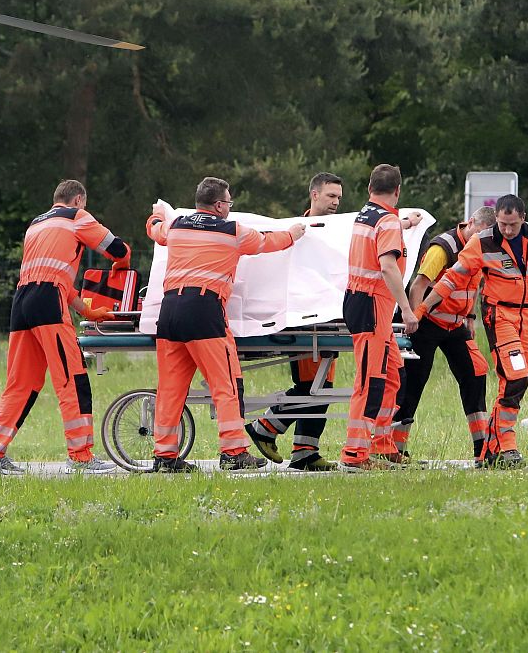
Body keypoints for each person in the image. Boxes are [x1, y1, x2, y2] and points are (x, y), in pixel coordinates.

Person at [146, 176, 306, 472]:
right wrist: (293, 234)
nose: (230, 208)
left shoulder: (177, 225)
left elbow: (155, 230)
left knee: (170, 388)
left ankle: (165, 457)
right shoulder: (232, 231)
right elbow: (269, 242)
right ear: (219, 205)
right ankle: (233, 453)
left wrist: (157, 213)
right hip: (204, 312)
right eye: (229, 202)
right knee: (226, 384)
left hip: (168, 314)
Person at [0, 180, 131, 475]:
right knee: (72, 379)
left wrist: (86, 310)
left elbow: (51, 276)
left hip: (22, 302)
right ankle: (81, 457)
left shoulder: (35, 224)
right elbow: (118, 248)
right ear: (79, 200)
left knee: (21, 383)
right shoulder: (77, 217)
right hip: (48, 303)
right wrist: (122, 265)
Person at [420, 194, 528, 468]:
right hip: (499, 314)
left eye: (512, 225)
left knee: (520, 378)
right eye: (502, 224)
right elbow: (453, 277)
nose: (507, 230)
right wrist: (422, 308)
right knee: (513, 374)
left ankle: (491, 446)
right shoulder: (483, 241)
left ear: (522, 218)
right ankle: (507, 444)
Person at [244, 172, 345, 471]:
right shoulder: (297, 233)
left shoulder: (337, 233)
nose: (336, 202)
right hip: (305, 323)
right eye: (330, 196)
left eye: (339, 197)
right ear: (314, 195)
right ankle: (266, 427)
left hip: (329, 321)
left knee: (322, 386)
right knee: (312, 386)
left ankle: (305, 451)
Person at [391, 206, 496, 460]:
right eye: (479, 233)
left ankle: (481, 448)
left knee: (475, 374)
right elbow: (419, 284)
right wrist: (414, 320)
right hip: (426, 323)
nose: (481, 240)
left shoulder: (484, 246)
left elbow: (473, 284)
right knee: (414, 382)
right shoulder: (444, 248)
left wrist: (469, 316)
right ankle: (394, 448)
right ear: (470, 223)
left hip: (455, 324)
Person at [339, 164, 421, 472]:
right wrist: (408, 309)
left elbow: (386, 226)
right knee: (370, 380)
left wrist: (407, 222)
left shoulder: (367, 215)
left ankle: (381, 445)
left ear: (369, 188)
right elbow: (388, 267)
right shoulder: (387, 223)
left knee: (390, 375)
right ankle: (354, 455)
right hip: (373, 306)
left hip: (363, 303)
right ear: (398, 191)